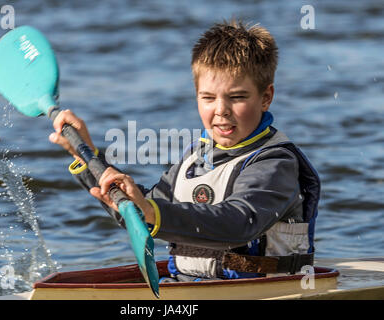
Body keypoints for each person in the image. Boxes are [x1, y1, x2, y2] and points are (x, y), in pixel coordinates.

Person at [49, 19, 320, 281]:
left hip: (263, 288)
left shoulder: (275, 162)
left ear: (266, 98)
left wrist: (153, 211)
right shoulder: (196, 158)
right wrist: (87, 156)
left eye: (237, 97)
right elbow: (142, 213)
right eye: (208, 98)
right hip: (190, 284)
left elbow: (240, 223)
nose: (221, 109)